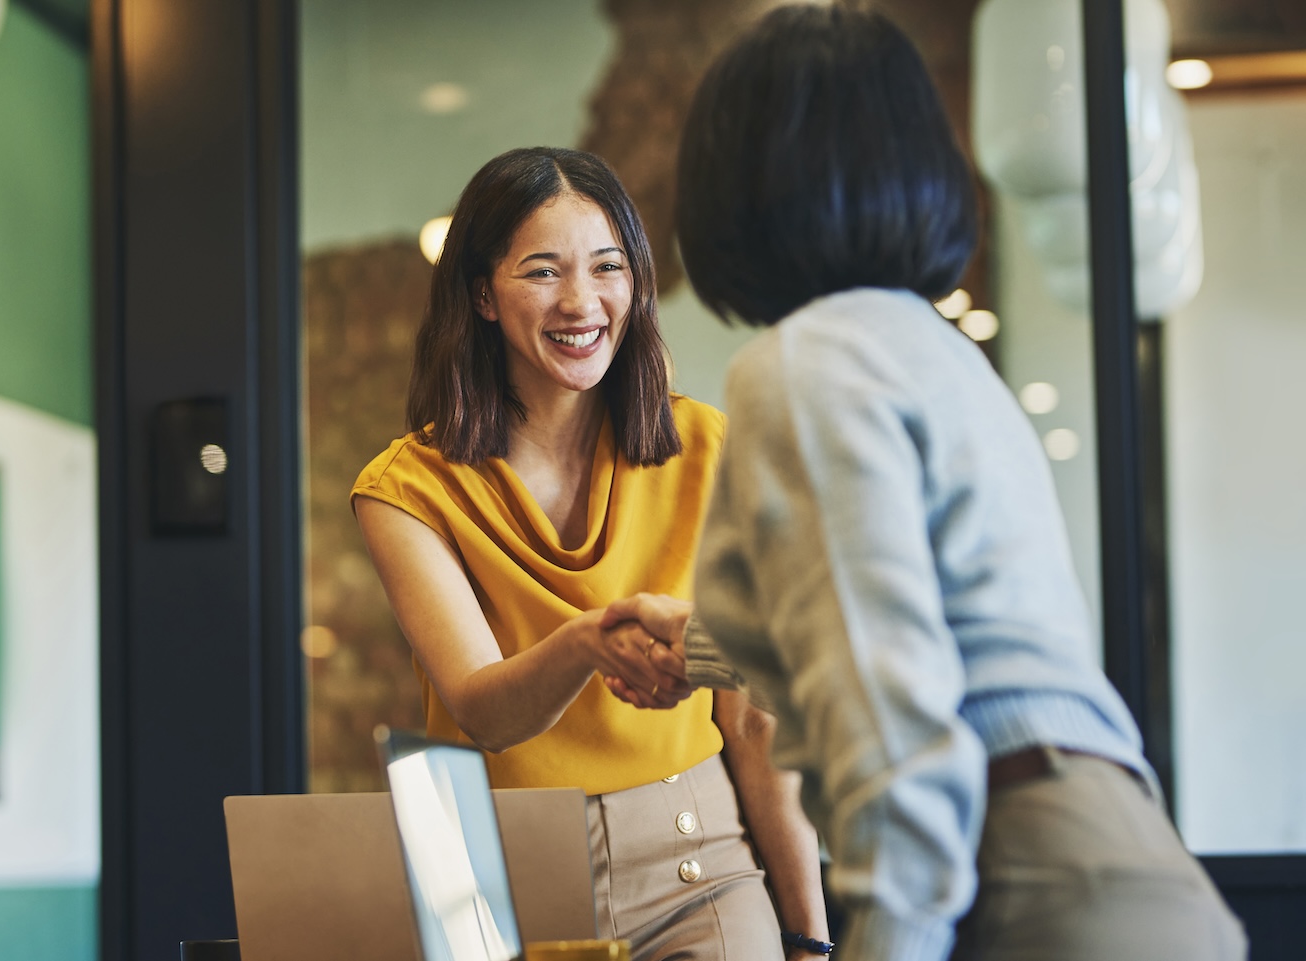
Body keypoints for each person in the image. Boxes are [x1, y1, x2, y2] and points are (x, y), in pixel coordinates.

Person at [603, 6, 1248, 961]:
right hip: (1115, 857)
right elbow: (941, 627)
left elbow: (895, 738)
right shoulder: (934, 354)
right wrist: (697, 646)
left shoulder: (805, 367)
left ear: (738, 180)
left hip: (1022, 871)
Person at [351, 146, 830, 960]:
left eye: (608, 267)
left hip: (700, 864)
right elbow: (483, 710)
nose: (582, 302)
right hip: (497, 889)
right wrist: (585, 640)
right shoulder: (405, 490)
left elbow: (753, 721)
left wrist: (811, 939)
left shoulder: (709, 448)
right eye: (542, 272)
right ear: (482, 296)